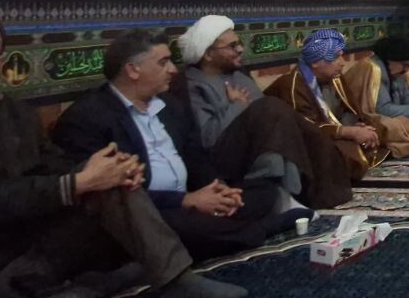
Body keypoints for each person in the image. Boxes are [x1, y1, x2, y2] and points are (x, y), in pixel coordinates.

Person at [0, 17, 247, 298]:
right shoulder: (90, 113)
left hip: (44, 241)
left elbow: (53, 163)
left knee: (112, 176)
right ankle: (99, 283)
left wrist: (100, 169)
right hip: (1, 261)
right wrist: (72, 184)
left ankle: (175, 278)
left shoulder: (16, 113)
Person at [53, 31, 300, 261]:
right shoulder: (88, 118)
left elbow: (195, 157)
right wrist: (186, 200)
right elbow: (109, 197)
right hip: (153, 212)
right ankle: (261, 230)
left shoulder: (169, 106)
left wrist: (218, 189)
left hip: (192, 198)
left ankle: (226, 228)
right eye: (163, 63)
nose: (173, 70)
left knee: (263, 193)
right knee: (185, 226)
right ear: (133, 70)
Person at [178, 15, 352, 209]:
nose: (240, 49)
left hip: (263, 148)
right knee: (271, 110)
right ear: (208, 54)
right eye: (232, 46)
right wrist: (237, 105)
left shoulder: (239, 77)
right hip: (228, 161)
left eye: (239, 44)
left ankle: (293, 194)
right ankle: (281, 196)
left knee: (296, 127)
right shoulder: (193, 85)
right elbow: (208, 138)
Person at [264, 29, 387, 181]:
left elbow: (348, 110)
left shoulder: (334, 78)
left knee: (378, 128)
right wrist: (349, 132)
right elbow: (306, 128)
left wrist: (358, 126)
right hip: (301, 142)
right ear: (315, 62)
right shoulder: (292, 85)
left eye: (341, 56)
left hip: (331, 131)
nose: (342, 63)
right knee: (342, 151)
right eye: (335, 58)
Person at [340, 36, 409, 157]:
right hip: (363, 120)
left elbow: (408, 96)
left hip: (391, 113)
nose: (407, 70)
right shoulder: (372, 70)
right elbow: (382, 109)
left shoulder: (398, 70)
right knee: (393, 126)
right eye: (405, 65)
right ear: (390, 60)